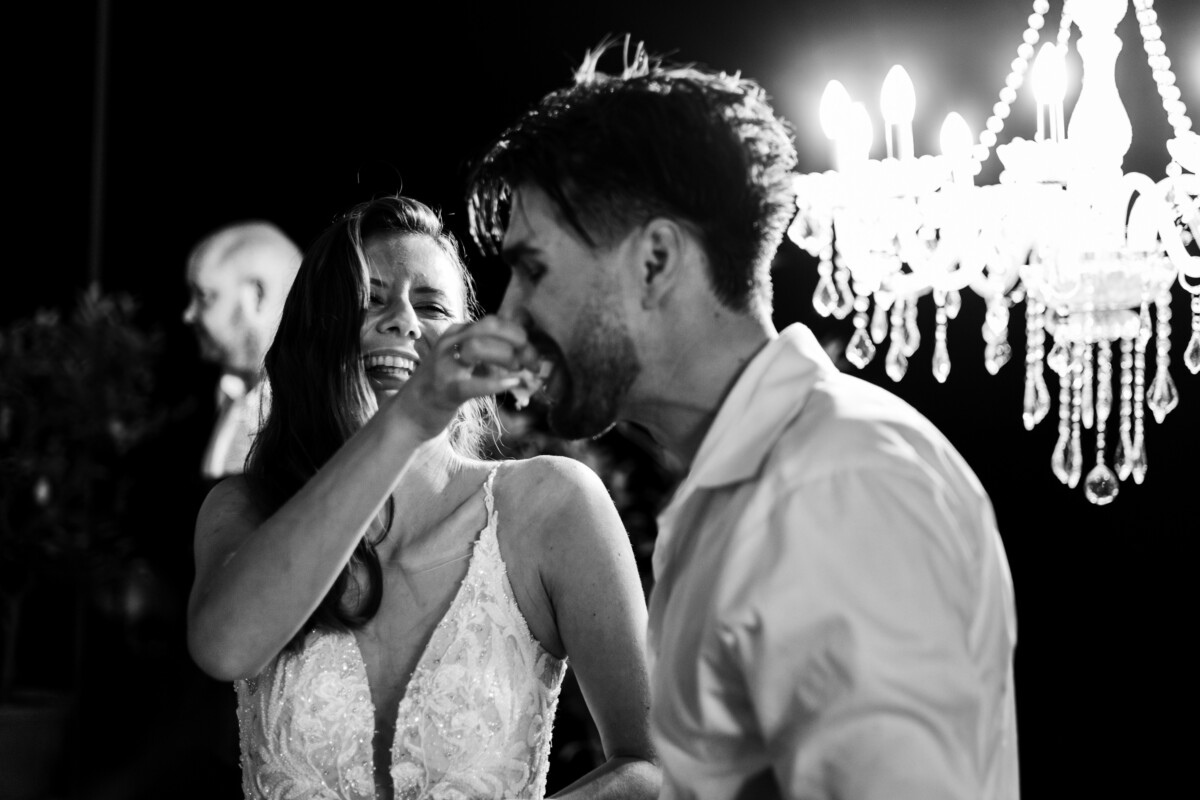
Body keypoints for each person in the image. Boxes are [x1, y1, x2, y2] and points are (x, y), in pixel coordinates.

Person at [465, 40, 1020, 799]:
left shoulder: (839, 485)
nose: (508, 314)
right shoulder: (743, 489)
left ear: (656, 261)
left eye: (533, 269)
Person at [186, 194, 659, 799]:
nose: (403, 319)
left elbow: (654, 766)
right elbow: (225, 647)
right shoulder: (245, 509)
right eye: (371, 298)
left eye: (431, 304)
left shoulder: (551, 505)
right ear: (313, 333)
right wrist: (407, 418)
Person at [183, 221, 302, 480]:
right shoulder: (204, 396)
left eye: (204, 296)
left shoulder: (314, 409)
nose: (189, 315)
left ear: (257, 295)